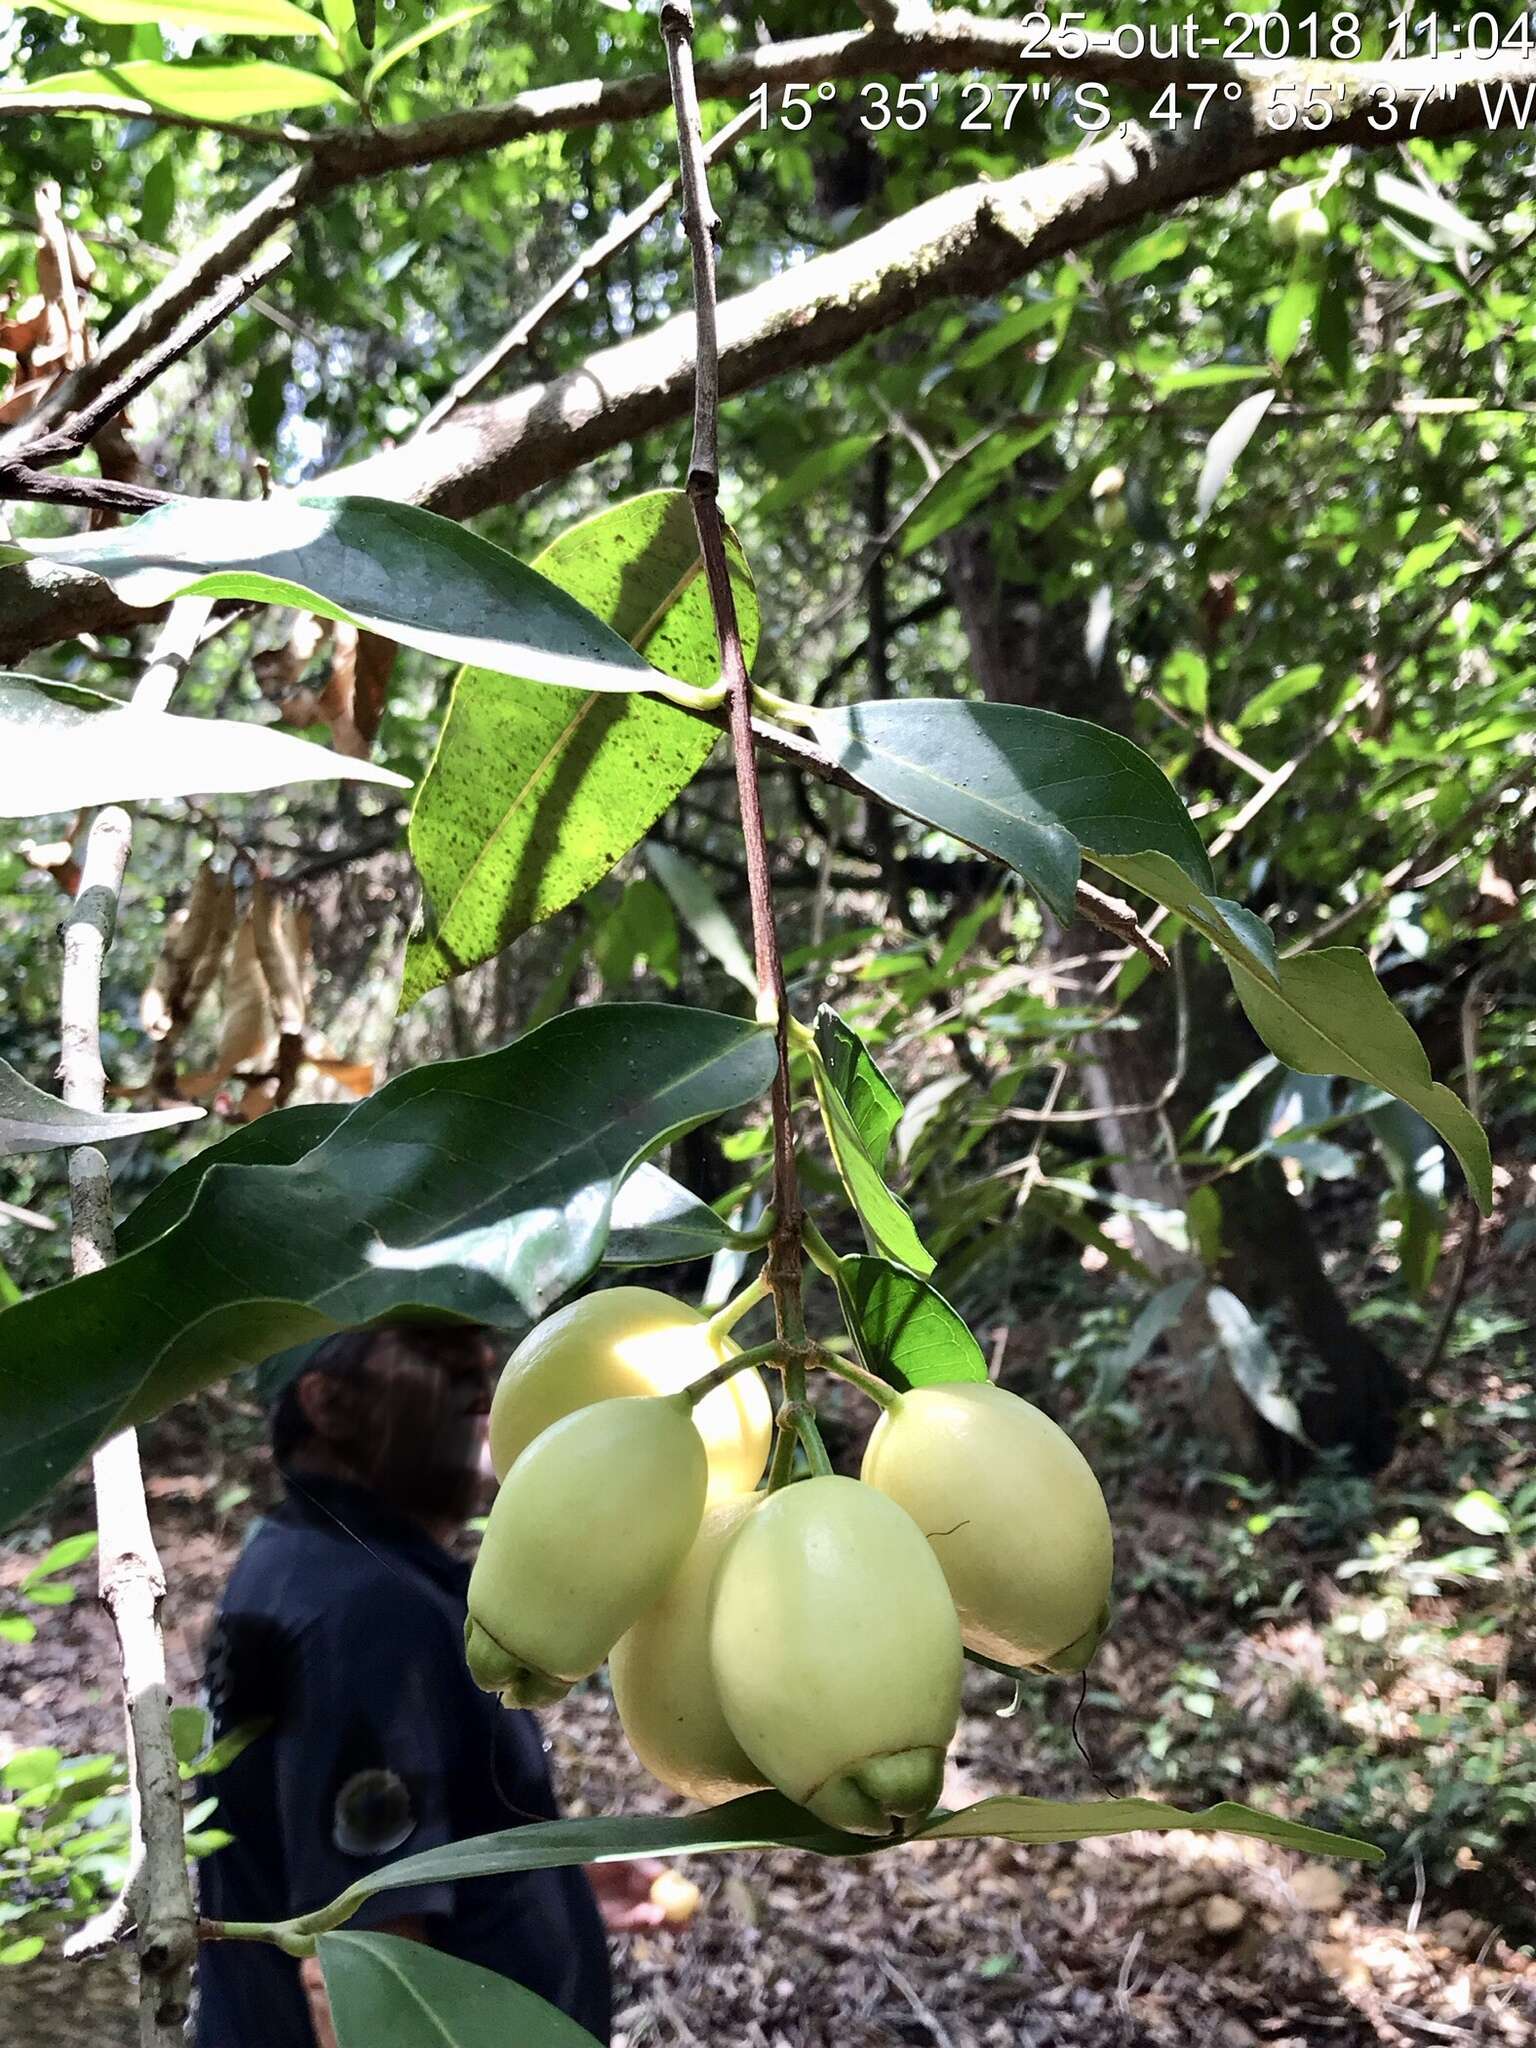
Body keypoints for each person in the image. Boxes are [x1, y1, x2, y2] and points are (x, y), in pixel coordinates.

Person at [195, 1322, 665, 2048]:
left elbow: (307, 1838)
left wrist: (533, 1880)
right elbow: (360, 1966)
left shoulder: (297, 1561)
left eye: (484, 1361)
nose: (484, 1383)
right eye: (441, 1361)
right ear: (329, 1403)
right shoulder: (369, 1611)